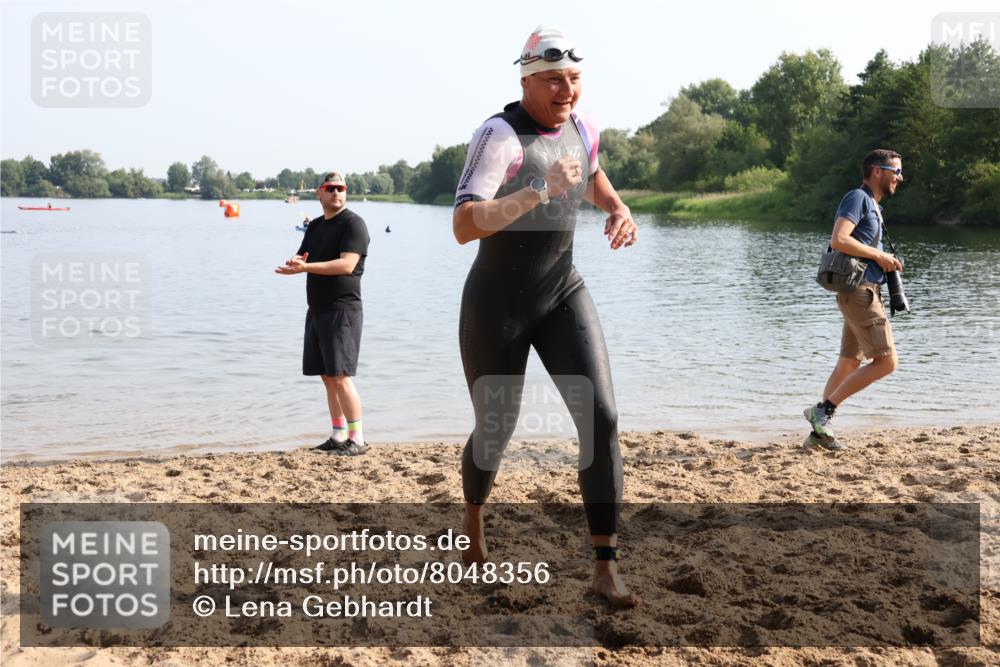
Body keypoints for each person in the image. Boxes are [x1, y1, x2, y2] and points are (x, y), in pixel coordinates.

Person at [453, 26, 639, 608]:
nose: (567, 90)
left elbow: (590, 174)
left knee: (602, 417)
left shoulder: (583, 130)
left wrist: (615, 206)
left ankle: (605, 568)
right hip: (497, 304)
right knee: (496, 430)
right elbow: (464, 225)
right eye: (554, 79)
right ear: (527, 80)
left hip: (563, 291)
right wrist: (536, 189)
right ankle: (474, 532)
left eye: (575, 79)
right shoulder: (499, 135)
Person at [804, 149, 904, 451]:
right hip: (860, 293)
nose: (900, 177)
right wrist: (880, 255)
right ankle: (823, 411)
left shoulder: (873, 206)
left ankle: (820, 434)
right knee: (887, 362)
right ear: (877, 171)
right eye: (896, 171)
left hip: (861, 291)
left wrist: (886, 261)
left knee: (849, 362)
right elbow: (839, 239)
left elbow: (857, 245)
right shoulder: (858, 198)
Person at [275, 172, 371, 456]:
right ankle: (339, 435)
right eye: (330, 189)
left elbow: (346, 265)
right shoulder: (315, 226)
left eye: (341, 188)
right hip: (317, 309)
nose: (336, 193)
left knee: (341, 375)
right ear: (319, 193)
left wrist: (305, 268)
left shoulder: (354, 224)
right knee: (327, 376)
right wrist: (296, 262)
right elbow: (305, 258)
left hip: (343, 309)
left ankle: (358, 439)